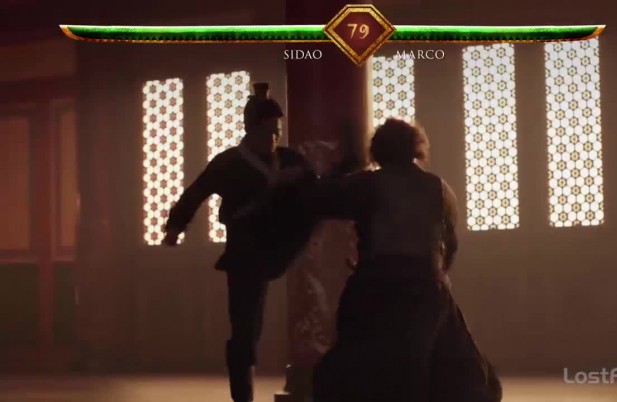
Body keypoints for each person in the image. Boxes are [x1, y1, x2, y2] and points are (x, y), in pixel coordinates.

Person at [310, 118, 502, 402]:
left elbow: (320, 199)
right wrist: (436, 277)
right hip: (428, 290)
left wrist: (343, 167)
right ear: (415, 147)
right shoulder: (440, 189)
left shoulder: (369, 184)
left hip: (376, 288)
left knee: (354, 366)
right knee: (452, 370)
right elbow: (450, 247)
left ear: (378, 150)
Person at [162, 83, 311, 402]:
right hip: (247, 252)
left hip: (288, 247)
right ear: (250, 130)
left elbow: (318, 189)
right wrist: (175, 226)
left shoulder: (289, 159)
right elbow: (195, 193)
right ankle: (242, 395)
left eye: (277, 132)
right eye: (267, 132)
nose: (273, 139)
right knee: (245, 329)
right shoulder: (228, 163)